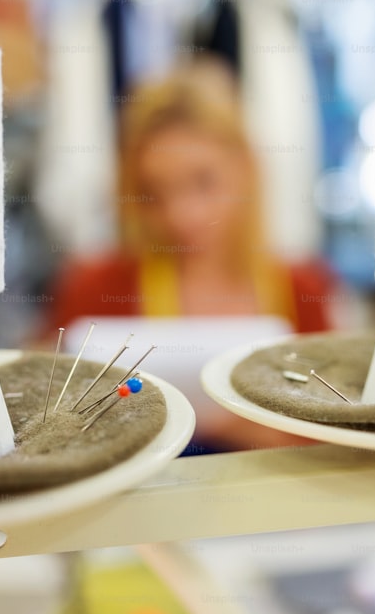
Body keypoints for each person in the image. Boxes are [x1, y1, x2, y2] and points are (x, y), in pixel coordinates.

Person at [47, 59, 338, 451]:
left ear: (246, 167)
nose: (181, 215)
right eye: (154, 193)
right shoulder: (97, 287)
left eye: (203, 182)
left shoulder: (304, 289)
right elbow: (48, 424)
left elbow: (337, 436)